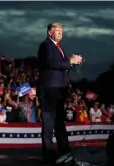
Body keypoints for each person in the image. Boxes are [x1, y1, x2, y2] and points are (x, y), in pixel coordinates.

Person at [37, 22, 83, 165]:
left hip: (58, 90)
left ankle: (64, 152)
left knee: (59, 123)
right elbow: (51, 64)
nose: (60, 34)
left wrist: (74, 61)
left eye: (61, 31)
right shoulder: (46, 45)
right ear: (50, 32)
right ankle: (49, 154)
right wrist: (69, 61)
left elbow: (61, 63)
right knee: (49, 123)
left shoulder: (58, 47)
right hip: (50, 90)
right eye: (57, 31)